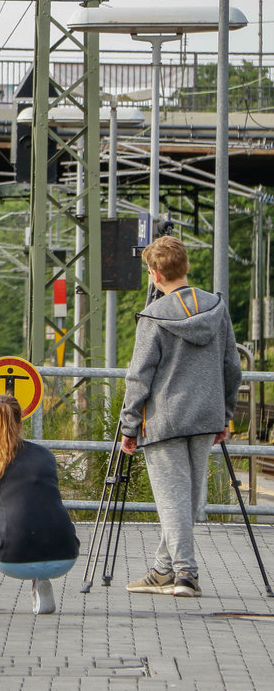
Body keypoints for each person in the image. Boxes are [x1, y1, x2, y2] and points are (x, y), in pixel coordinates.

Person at [120, 235, 242, 598]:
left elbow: (139, 375)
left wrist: (129, 425)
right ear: (186, 267)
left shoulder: (153, 317)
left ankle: (185, 575)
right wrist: (225, 413)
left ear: (154, 275)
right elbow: (232, 366)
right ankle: (162, 570)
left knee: (173, 500)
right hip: (206, 417)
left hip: (165, 420)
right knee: (186, 498)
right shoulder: (216, 308)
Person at [0, 394, 81, 615]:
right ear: (20, 425)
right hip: (65, 555)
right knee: (37, 510)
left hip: (12, 559)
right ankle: (41, 581)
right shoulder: (45, 455)